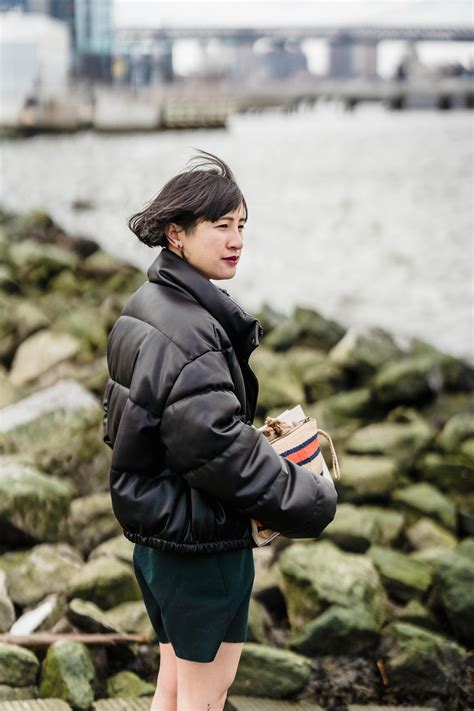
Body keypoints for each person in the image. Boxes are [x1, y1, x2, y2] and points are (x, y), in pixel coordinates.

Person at [101, 149, 337, 710]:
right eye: (221, 226)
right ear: (176, 235)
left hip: (160, 539)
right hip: (200, 548)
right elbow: (216, 449)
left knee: (173, 688)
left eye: (242, 226)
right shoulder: (191, 329)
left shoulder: (147, 303)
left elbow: (139, 424)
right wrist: (308, 498)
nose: (236, 240)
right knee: (205, 698)